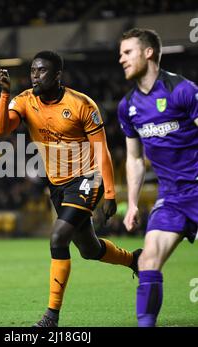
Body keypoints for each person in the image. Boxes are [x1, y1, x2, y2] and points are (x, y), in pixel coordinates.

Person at [0, 51, 142, 327]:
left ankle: (51, 316)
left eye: (42, 71)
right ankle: (135, 260)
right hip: (58, 185)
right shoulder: (24, 100)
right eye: (33, 71)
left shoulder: (82, 104)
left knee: (58, 237)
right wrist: (4, 94)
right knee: (89, 249)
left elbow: (102, 151)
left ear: (58, 75)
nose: (35, 75)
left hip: (87, 178)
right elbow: (1, 129)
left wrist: (110, 193)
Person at [118, 28, 198, 327]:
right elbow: (135, 159)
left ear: (148, 52)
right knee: (148, 260)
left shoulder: (182, 90)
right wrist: (134, 202)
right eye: (120, 53)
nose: (121, 59)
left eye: (127, 52)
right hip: (172, 198)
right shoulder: (128, 107)